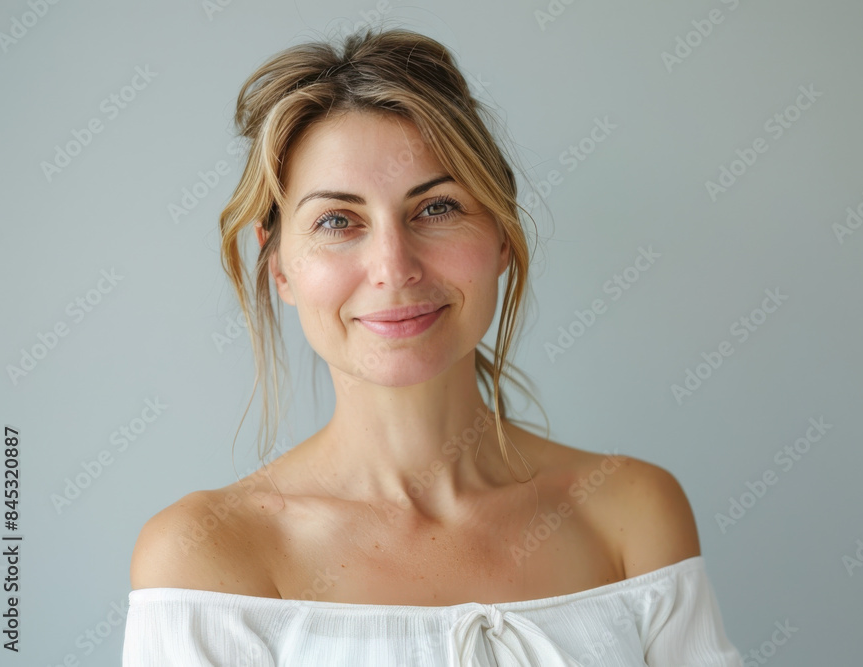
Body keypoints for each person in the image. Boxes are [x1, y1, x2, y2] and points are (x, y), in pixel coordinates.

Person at [122, 26, 742, 666]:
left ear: (501, 235)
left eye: (437, 208)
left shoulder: (630, 512)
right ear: (279, 267)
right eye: (338, 221)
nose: (394, 266)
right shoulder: (206, 556)